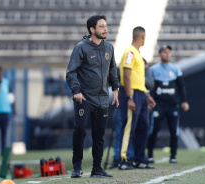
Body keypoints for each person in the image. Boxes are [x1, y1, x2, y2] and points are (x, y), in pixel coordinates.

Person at [66, 15, 119, 178]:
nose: (105, 29)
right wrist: (76, 91)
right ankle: (77, 167)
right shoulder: (81, 47)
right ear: (92, 29)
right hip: (84, 98)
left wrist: (115, 89)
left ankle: (97, 168)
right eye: (102, 26)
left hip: (102, 98)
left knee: (99, 134)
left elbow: (112, 70)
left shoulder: (109, 47)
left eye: (106, 26)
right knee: (80, 130)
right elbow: (71, 72)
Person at [118, 26, 156, 170]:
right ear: (142, 38)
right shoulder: (130, 53)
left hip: (140, 93)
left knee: (143, 127)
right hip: (131, 93)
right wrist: (129, 97)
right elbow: (126, 77)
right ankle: (123, 160)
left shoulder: (138, 54)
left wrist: (147, 94)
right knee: (129, 127)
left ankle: (138, 160)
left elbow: (137, 78)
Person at [147, 45, 189, 164]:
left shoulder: (175, 69)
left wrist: (184, 101)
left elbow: (181, 86)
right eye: (165, 52)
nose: (167, 54)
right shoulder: (154, 69)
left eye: (169, 52)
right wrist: (150, 102)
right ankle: (149, 155)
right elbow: (150, 87)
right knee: (154, 129)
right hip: (158, 104)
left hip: (172, 104)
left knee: (173, 130)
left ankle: (173, 156)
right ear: (160, 54)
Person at [109, 58, 154, 169]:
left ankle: (133, 158)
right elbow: (114, 76)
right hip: (125, 101)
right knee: (122, 130)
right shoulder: (125, 65)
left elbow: (150, 83)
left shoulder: (144, 66)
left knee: (136, 130)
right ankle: (118, 158)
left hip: (139, 98)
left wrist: (135, 75)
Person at [0, 66, 14, 157]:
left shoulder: (6, 82)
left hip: (5, 111)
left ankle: (3, 152)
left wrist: (14, 107)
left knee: (4, 132)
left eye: (1, 72)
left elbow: (11, 94)